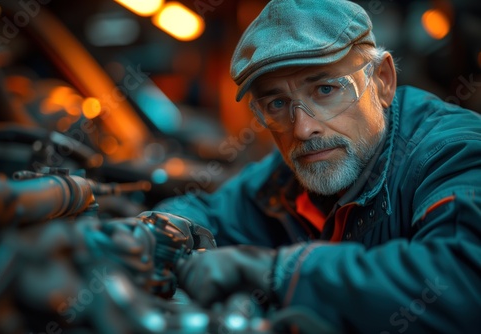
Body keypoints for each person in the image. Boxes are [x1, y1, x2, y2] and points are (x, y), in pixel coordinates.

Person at [144, 0, 481, 332]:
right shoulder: (284, 176)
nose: (303, 129)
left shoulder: (453, 151)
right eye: (277, 103)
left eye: (325, 89)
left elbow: (462, 282)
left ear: (382, 81)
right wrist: (158, 231)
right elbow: (210, 211)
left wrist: (281, 272)